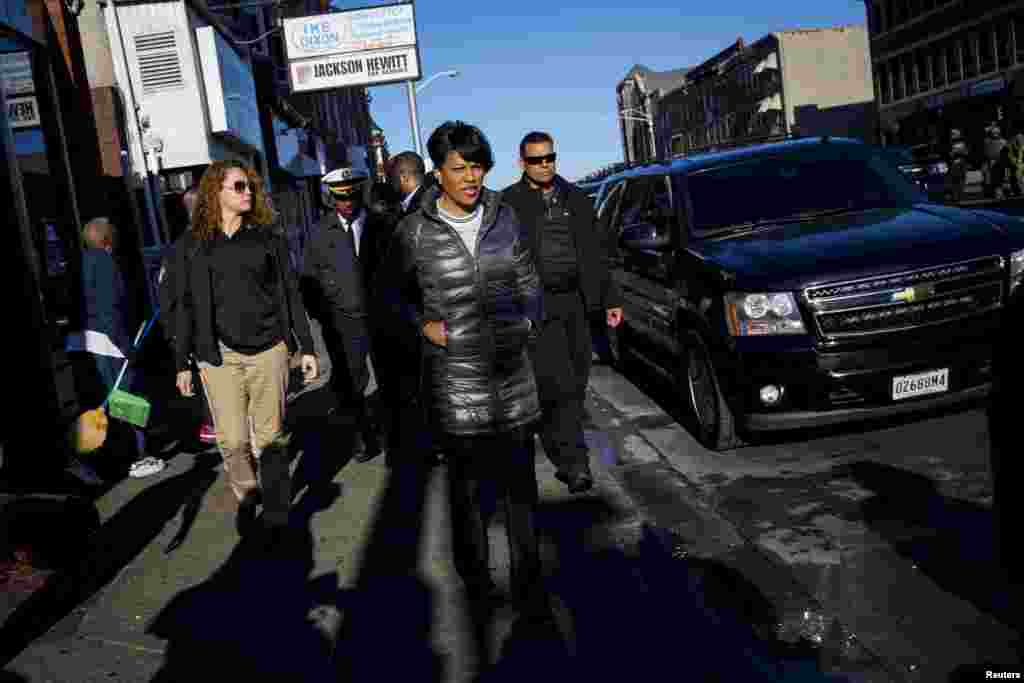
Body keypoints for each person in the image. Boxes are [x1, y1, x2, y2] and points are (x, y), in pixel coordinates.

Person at [379, 121, 549, 663]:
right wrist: (420, 326)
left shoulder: (505, 217)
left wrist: (528, 321)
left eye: (478, 166)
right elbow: (391, 296)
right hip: (456, 385)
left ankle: (531, 590)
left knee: (521, 495)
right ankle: (479, 591)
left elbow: (528, 281)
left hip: (513, 380)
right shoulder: (414, 232)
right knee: (471, 499)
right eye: (460, 167)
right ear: (438, 173)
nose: (471, 177)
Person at [174, 159, 318, 529]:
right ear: (215, 193)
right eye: (238, 187)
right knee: (234, 441)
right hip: (218, 355)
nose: (248, 193)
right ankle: (248, 495)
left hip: (269, 350)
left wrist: (307, 347)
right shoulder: (193, 245)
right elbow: (182, 305)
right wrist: (181, 362)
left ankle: (277, 513)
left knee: (270, 438)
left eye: (250, 186)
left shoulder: (268, 238)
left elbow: (290, 293)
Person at [502, 131, 624, 494]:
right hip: (538, 306)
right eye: (536, 160)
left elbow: (598, 253)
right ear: (522, 163)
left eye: (549, 158)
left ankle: (559, 439)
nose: (544, 165)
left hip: (577, 303)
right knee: (561, 385)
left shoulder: (576, 198)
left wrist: (611, 298)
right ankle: (575, 464)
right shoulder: (509, 203)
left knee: (576, 380)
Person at [302, 165, 391, 463]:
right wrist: (325, 317)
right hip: (342, 322)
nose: (348, 203)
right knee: (350, 384)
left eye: (352, 196)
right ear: (331, 198)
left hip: (381, 317)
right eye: (341, 198)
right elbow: (309, 279)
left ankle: (397, 435)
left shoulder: (382, 226)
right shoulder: (318, 233)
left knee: (392, 378)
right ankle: (362, 438)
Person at [67, 217, 161, 483]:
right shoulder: (106, 263)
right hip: (112, 344)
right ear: (108, 239)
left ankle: (112, 454)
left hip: (92, 342)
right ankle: (139, 456)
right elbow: (110, 311)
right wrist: (127, 347)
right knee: (127, 399)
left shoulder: (81, 262)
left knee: (113, 400)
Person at [158, 184, 217, 446]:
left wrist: (179, 349)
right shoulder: (204, 246)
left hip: (195, 337)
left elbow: (170, 302)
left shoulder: (176, 250)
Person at [388, 151, 429, 218]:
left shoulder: (422, 208)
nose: (389, 182)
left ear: (404, 177)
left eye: (391, 176)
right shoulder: (429, 198)